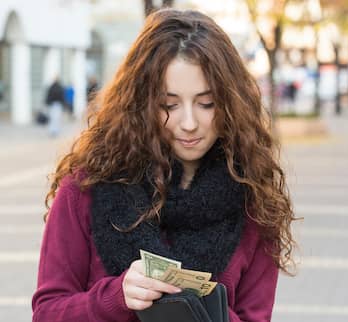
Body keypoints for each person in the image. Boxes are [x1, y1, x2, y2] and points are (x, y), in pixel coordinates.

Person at [32, 9, 297, 322]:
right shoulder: (86, 188)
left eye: (206, 103)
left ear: (230, 102)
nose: (188, 123)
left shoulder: (254, 202)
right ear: (142, 103)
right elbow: (47, 313)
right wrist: (117, 297)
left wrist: (201, 312)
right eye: (168, 104)